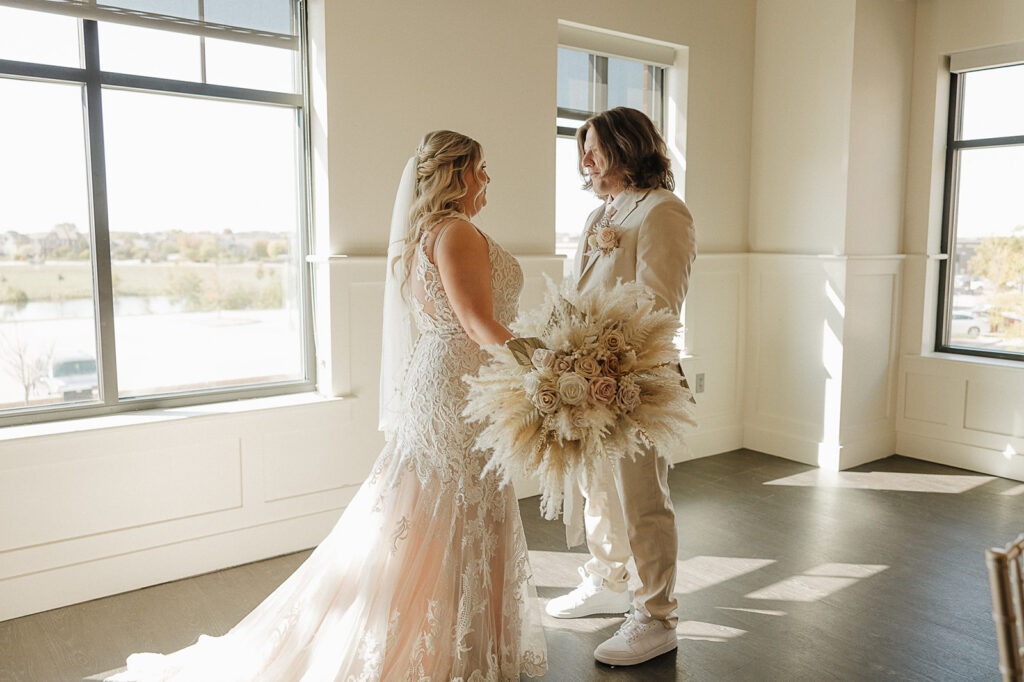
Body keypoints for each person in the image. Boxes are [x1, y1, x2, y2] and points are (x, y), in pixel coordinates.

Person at [107, 130, 548, 681]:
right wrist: (548, 365)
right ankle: (441, 650)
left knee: (437, 512)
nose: (488, 179)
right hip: (456, 393)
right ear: (456, 174)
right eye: (481, 168)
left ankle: (453, 645)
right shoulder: (455, 231)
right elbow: (477, 323)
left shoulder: (430, 234)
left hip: (453, 385)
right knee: (448, 510)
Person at [544, 107, 696, 666]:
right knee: (596, 491)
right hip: (585, 381)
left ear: (629, 147)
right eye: (581, 149)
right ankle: (607, 579)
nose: (584, 160)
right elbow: (576, 294)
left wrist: (604, 360)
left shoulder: (664, 212)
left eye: (594, 149)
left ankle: (657, 616)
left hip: (637, 382)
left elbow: (658, 307)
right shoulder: (598, 216)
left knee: (641, 500)